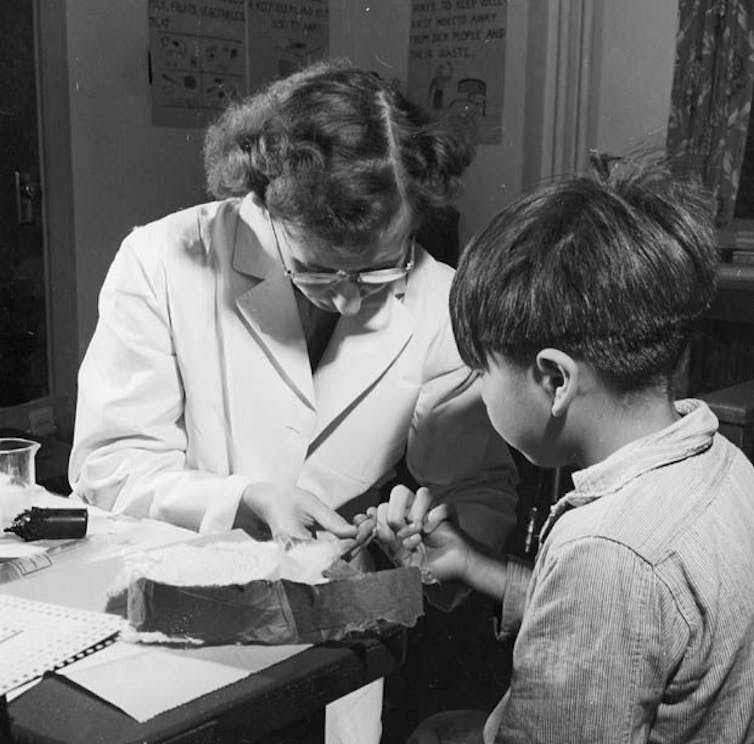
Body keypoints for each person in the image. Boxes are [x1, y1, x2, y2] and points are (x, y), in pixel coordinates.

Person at [68, 59, 519, 744]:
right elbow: (109, 464)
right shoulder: (163, 259)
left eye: (377, 269)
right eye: (317, 268)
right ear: (262, 203)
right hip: (181, 609)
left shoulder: (443, 303)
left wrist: (425, 538)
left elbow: (476, 488)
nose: (346, 297)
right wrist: (245, 497)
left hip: (340, 621)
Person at [383, 158, 754, 743]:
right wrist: (479, 564)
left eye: (480, 370)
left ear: (555, 380)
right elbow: (635, 628)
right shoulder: (724, 464)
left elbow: (613, 588)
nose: (478, 391)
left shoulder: (606, 549)